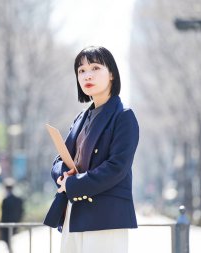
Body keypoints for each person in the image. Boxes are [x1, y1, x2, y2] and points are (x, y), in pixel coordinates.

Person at [44, 46, 140, 253]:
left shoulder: (123, 116)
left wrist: (74, 184)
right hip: (74, 213)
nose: (87, 75)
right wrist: (63, 176)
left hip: (106, 217)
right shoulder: (81, 118)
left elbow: (117, 168)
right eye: (81, 70)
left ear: (112, 74)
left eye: (95, 68)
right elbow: (61, 159)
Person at [0, 178, 24, 248]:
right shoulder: (18, 200)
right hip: (15, 222)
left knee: (7, 240)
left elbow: (3, 213)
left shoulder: (5, 200)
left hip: (6, 223)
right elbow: (21, 211)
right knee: (10, 239)